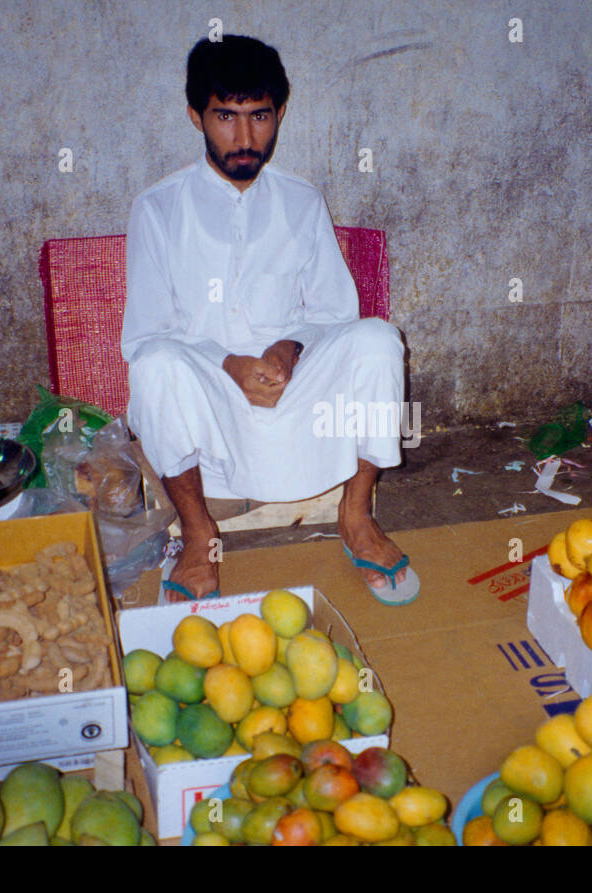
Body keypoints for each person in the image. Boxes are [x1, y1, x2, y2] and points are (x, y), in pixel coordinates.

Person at [122, 34, 418, 606]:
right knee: (155, 366)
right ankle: (199, 532)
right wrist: (228, 363)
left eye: (259, 116)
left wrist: (287, 349)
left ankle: (355, 515)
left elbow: (335, 313)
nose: (244, 137)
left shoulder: (302, 200)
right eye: (225, 117)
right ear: (195, 117)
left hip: (296, 388)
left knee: (379, 340)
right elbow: (147, 333)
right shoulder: (158, 208)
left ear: (279, 113)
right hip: (209, 396)